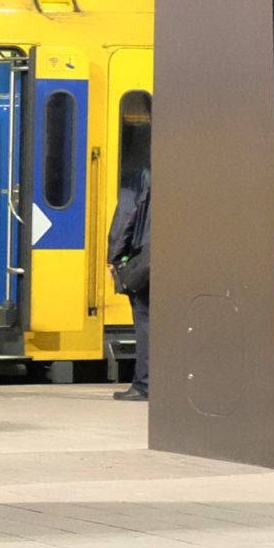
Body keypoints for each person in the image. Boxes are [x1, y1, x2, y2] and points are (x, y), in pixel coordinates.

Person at [107, 168, 151, 401]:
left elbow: (126, 218)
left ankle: (144, 385)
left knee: (145, 320)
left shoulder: (141, 178)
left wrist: (115, 258)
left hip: (147, 258)